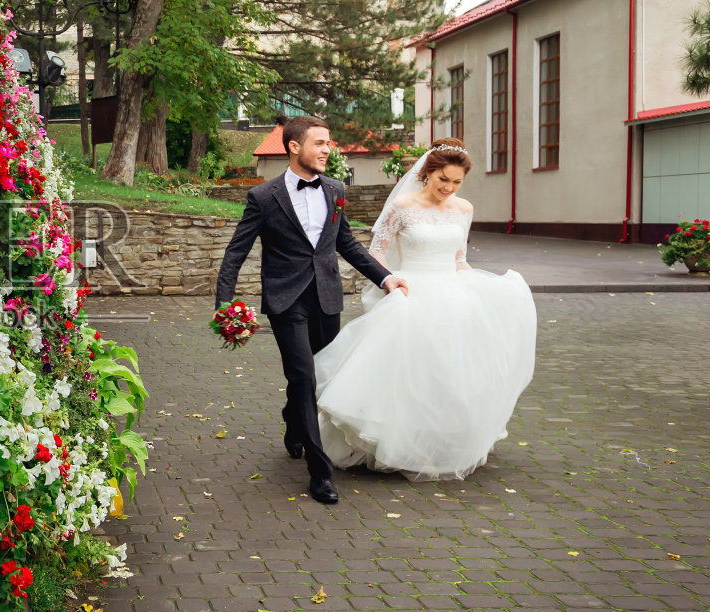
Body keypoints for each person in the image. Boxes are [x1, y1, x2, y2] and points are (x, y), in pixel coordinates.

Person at [315, 138, 537, 481]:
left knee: (450, 372)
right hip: (412, 290)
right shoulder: (402, 205)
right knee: (410, 371)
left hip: (453, 294)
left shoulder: (463, 209)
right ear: (427, 173)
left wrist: (480, 288)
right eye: (442, 179)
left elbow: (459, 258)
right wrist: (390, 282)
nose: (448, 187)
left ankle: (441, 444)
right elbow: (377, 251)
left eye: (456, 182)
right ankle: (395, 442)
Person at [214, 116, 407, 504]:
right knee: (302, 375)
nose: (327, 150)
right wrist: (225, 304)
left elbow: (347, 244)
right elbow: (236, 252)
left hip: (326, 297)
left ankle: (293, 419)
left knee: (323, 376)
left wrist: (386, 278)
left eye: (328, 143)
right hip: (286, 301)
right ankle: (321, 473)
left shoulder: (335, 190)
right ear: (294, 147)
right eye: (320, 143)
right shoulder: (264, 197)